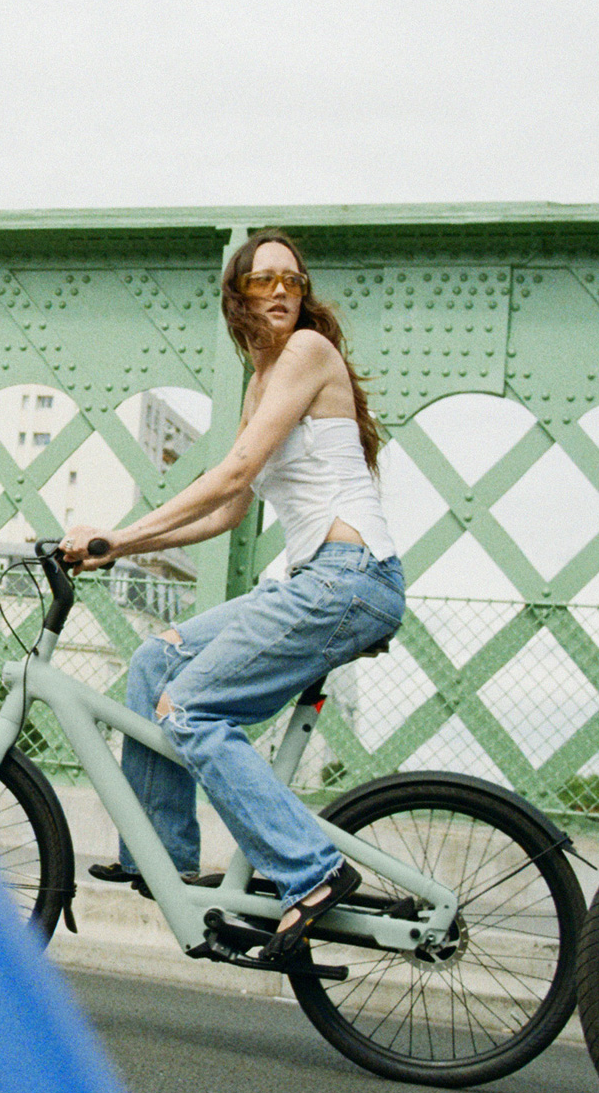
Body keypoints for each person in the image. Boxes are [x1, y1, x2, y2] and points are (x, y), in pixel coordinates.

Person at [60, 229, 402, 961]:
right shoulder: (262, 380)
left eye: (292, 280)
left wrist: (114, 536)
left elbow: (234, 471)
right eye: (263, 280)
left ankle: (312, 871)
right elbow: (227, 512)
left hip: (350, 579)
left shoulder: (307, 351)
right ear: (237, 294)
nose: (280, 291)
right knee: (156, 660)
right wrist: (118, 552)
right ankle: (160, 855)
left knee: (190, 709)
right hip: (316, 581)